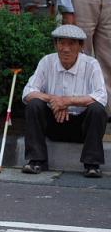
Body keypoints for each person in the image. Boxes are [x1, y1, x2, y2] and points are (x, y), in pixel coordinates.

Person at [21, 24, 106, 178]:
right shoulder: (47, 61)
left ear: (81, 46)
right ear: (56, 45)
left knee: (98, 109)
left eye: (71, 43)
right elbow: (27, 92)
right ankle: (36, 160)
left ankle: (92, 164)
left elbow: (101, 96)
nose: (65, 49)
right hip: (53, 123)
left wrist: (68, 101)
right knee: (33, 104)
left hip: (81, 126)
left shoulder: (91, 64)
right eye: (61, 43)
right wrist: (54, 99)